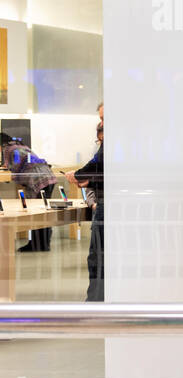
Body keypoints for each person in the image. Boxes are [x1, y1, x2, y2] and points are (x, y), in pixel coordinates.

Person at [1, 132, 58, 251]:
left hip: (38, 181)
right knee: (43, 213)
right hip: (48, 178)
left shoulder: (8, 150)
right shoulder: (22, 146)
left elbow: (15, 168)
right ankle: (43, 244)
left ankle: (36, 245)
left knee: (36, 214)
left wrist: (8, 174)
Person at [73, 110, 105, 300]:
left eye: (104, 118)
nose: (101, 122)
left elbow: (95, 169)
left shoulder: (112, 144)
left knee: (98, 259)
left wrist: (79, 176)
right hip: (102, 205)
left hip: (106, 207)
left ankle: (95, 304)